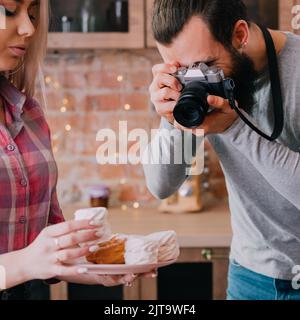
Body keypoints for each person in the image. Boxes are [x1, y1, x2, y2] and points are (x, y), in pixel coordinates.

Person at [144, 0, 300, 300]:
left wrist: (234, 129)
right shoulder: (195, 77)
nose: (195, 79)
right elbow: (161, 185)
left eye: (204, 67)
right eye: (181, 70)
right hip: (248, 274)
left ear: (239, 34)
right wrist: (172, 116)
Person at [0, 0, 140, 300]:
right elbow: (29, 260)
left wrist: (93, 264)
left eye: (33, 13)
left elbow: (47, 240)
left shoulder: (31, 115)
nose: (29, 28)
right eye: (9, 10)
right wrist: (23, 264)